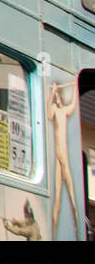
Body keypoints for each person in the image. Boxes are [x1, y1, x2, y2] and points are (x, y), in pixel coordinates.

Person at [49, 82, 78, 235]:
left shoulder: (65, 111)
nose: (59, 99)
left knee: (73, 195)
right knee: (57, 199)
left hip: (64, 155)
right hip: (58, 156)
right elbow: (48, 115)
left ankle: (78, 229)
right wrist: (52, 92)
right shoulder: (54, 109)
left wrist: (76, 84)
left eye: (59, 96)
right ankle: (53, 234)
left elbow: (74, 104)